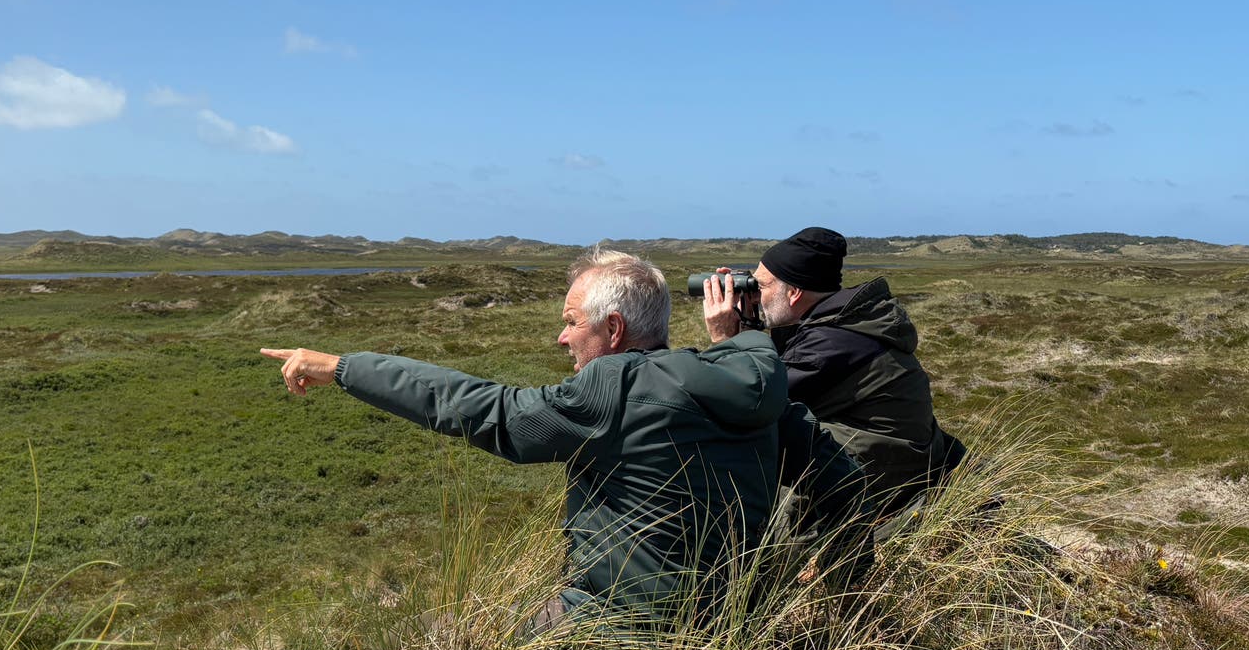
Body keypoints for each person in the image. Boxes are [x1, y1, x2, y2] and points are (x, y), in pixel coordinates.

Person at [262, 248, 860, 627]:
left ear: (615, 328)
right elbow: (844, 484)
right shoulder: (754, 383)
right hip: (737, 618)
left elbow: (489, 413)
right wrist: (814, 577)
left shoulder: (615, 386)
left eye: (572, 322)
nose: (561, 338)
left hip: (625, 626)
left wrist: (345, 367)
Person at [702, 226, 965, 518]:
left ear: (793, 293)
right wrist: (749, 327)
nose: (754, 296)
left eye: (760, 286)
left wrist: (725, 340)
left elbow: (751, 402)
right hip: (900, 464)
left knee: (735, 460)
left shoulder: (830, 344)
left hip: (879, 485)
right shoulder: (843, 324)